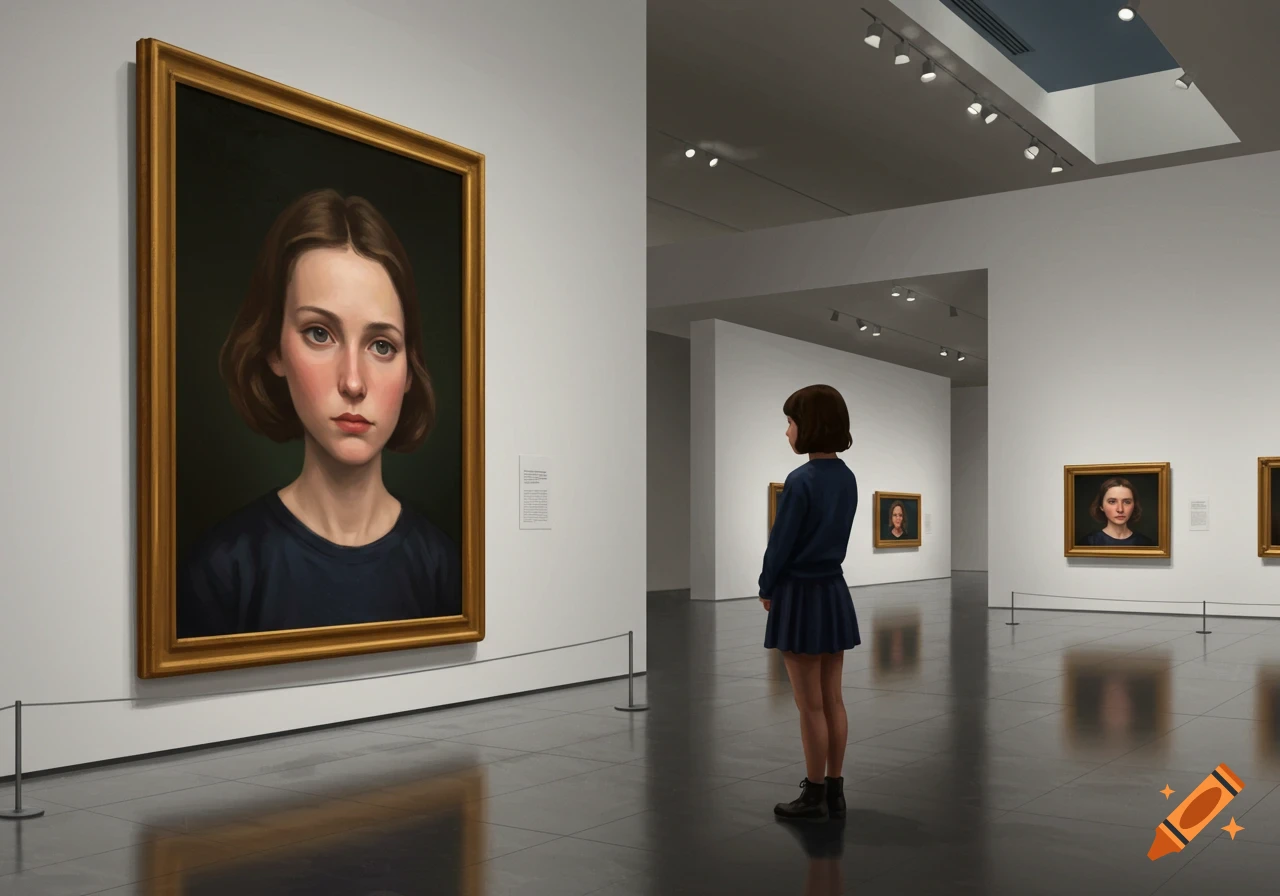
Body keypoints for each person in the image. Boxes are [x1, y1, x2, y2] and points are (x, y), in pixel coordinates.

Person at [177, 188, 461, 639]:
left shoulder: (443, 567)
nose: (353, 382)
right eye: (319, 334)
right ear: (274, 350)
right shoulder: (222, 571)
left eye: (382, 345)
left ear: (410, 370)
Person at [759, 383, 861, 822]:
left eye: (790, 422)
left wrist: (766, 585)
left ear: (810, 426)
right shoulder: (848, 477)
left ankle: (814, 793)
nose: (787, 433)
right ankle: (835, 790)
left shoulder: (801, 481)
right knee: (833, 699)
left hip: (800, 593)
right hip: (833, 590)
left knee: (809, 705)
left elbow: (781, 544)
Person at [1083, 477, 1154, 547]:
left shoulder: (1146, 543)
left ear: (1134, 506)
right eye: (1112, 502)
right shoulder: (1089, 542)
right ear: (1101, 506)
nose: (1120, 509)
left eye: (1127, 502)